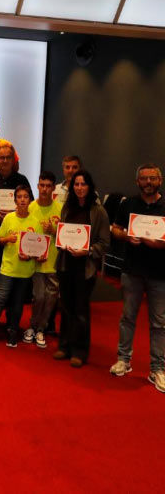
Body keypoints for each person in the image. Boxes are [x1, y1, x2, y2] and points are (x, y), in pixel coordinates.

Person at [109, 163, 165, 392]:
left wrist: (159, 244)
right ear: (137, 182)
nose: (148, 182)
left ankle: (158, 369)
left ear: (159, 181)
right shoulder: (129, 204)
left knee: (159, 323)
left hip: (160, 274)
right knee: (127, 317)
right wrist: (125, 236)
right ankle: (124, 359)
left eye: (152, 178)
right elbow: (115, 228)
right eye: (144, 179)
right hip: (132, 270)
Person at [53, 170, 109, 367]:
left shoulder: (98, 211)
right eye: (76, 184)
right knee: (66, 307)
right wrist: (61, 242)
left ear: (90, 186)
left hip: (85, 267)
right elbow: (61, 236)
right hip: (66, 264)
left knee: (81, 310)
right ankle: (64, 345)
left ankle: (80, 350)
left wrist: (88, 251)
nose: (79, 188)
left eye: (83, 184)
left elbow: (104, 243)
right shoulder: (67, 208)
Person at [0, 184, 41, 349]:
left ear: (29, 200)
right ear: (15, 200)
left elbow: (38, 247)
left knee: (18, 302)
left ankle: (13, 331)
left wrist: (30, 255)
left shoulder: (35, 221)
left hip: (25, 269)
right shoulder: (9, 218)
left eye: (25, 197)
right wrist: (8, 239)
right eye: (19, 197)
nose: (22, 200)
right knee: (0, 299)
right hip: (8, 267)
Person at [24, 171, 62, 347]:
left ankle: (42, 328)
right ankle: (33, 325)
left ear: (53, 188)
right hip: (35, 262)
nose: (45, 189)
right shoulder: (30, 207)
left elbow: (66, 236)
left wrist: (53, 231)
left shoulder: (60, 209)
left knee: (51, 298)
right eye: (42, 185)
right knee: (38, 297)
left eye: (48, 186)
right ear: (37, 186)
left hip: (53, 262)